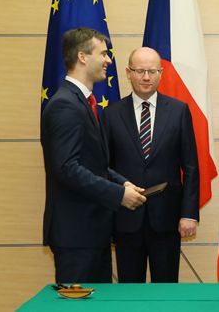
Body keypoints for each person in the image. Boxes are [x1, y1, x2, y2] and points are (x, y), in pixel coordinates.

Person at [41, 27, 147, 284]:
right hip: (76, 236)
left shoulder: (82, 102)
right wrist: (118, 195)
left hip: (91, 233)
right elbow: (67, 168)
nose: (109, 60)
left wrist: (121, 182)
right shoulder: (65, 105)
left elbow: (92, 161)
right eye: (103, 53)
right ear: (82, 57)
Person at [101, 47, 199, 283]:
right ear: (128, 72)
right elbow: (103, 166)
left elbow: (191, 166)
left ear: (161, 73)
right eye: (140, 71)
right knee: (129, 294)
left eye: (152, 71)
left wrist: (189, 214)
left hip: (167, 220)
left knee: (166, 294)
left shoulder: (178, 111)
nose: (146, 77)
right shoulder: (111, 114)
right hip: (126, 219)